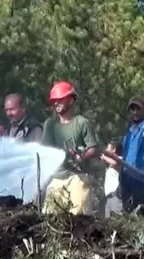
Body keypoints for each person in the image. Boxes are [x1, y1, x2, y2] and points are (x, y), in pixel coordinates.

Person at [42, 81, 100, 216]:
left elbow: (93, 148)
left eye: (60, 99)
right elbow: (46, 150)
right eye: (54, 101)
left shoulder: (81, 123)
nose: (56, 103)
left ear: (71, 100)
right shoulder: (50, 125)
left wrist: (81, 157)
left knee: (79, 217)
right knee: (49, 217)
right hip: (57, 177)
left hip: (78, 176)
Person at [100, 141, 123, 217]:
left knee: (117, 222)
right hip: (109, 198)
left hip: (115, 196)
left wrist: (104, 156)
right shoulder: (109, 165)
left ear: (114, 149)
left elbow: (114, 163)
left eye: (108, 148)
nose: (106, 149)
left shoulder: (120, 158)